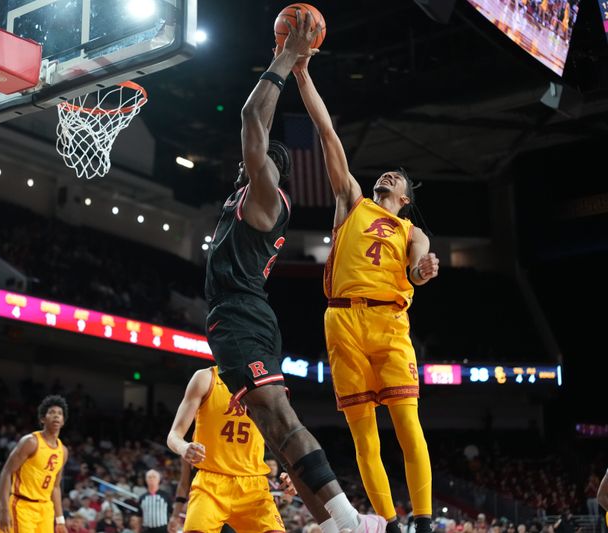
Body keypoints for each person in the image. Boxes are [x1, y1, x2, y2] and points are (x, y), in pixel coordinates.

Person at [202, 9, 384, 533]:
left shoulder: (263, 196)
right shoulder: (250, 199)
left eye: (253, 161)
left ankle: (348, 518)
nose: (242, 163)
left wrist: (288, 56)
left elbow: (249, 121)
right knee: (273, 429)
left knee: (281, 420)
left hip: (240, 315)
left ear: (266, 168)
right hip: (239, 316)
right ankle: (331, 521)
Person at [293, 48, 439, 533]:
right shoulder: (351, 201)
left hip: (389, 321)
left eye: (398, 179)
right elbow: (327, 133)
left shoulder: (409, 230)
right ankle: (390, 523)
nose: (389, 175)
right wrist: (301, 74)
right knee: (363, 435)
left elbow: (419, 264)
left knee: (406, 425)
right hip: (342, 319)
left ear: (405, 199)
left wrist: (421, 272)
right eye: (387, 173)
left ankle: (423, 519)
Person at [166, 366, 295, 533]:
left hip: (253, 484)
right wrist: (183, 447)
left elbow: (284, 435)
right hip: (211, 483)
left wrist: (292, 470)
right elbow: (173, 435)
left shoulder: (267, 383)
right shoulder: (205, 378)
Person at [0, 395, 68, 533]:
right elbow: (6, 473)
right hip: (23, 505)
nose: (56, 416)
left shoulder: (63, 451)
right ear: (43, 419)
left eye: (60, 414)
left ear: (63, 421)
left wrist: (60, 520)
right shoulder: (31, 442)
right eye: (52, 413)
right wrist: (4, 509)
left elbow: (55, 487)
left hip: (45, 509)